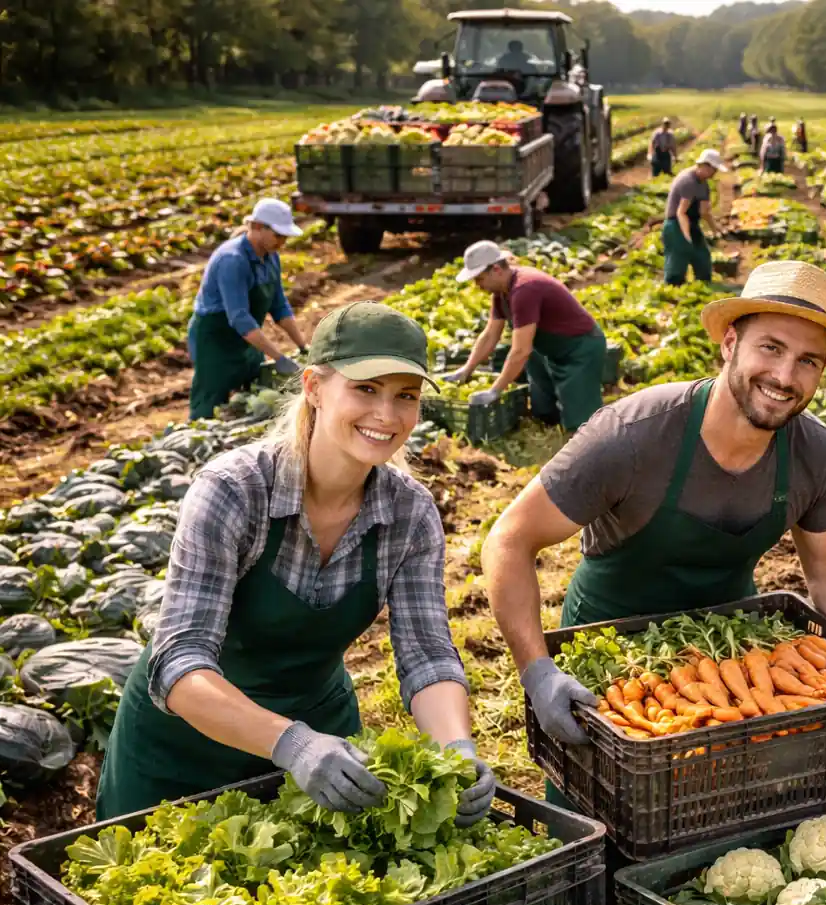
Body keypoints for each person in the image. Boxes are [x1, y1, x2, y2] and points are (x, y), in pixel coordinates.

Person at [482, 261, 826, 760]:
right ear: (730, 343)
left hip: (733, 657)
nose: (784, 376)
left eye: (807, 361)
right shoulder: (633, 435)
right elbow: (509, 540)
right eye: (771, 348)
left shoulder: (813, 453)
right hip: (612, 661)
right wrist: (538, 671)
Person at [96, 302, 492, 823]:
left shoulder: (409, 513)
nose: (387, 415)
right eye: (365, 389)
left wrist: (455, 747)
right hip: (181, 752)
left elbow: (427, 654)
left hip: (320, 737)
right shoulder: (235, 491)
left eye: (406, 396)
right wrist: (293, 745)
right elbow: (179, 661)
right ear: (314, 388)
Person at [443, 241, 607, 433]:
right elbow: (490, 335)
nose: (477, 285)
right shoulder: (502, 293)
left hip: (580, 349)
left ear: (496, 270)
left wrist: (495, 390)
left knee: (581, 421)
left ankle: (594, 440)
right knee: (543, 411)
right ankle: (552, 422)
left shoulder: (525, 289)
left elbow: (521, 350)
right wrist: (466, 370)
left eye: (479, 279)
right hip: (549, 348)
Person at [188, 198, 308, 421]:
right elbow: (239, 317)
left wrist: (302, 347)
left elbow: (279, 305)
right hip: (215, 340)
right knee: (211, 399)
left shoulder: (271, 257)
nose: (283, 242)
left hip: (248, 339)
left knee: (249, 392)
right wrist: (278, 357)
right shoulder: (232, 260)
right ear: (258, 227)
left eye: (285, 237)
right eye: (278, 235)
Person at [662, 149, 728, 286]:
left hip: (691, 223)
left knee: (702, 257)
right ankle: (674, 289)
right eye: (714, 169)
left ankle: (703, 285)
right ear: (705, 166)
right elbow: (681, 213)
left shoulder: (703, 184)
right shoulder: (688, 181)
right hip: (676, 224)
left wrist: (717, 231)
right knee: (678, 260)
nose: (715, 173)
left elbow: (704, 212)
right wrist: (687, 238)